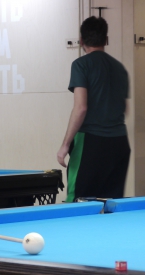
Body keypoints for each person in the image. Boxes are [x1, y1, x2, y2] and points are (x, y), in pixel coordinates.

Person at [57, 16, 130, 202]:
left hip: (90, 142)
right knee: (110, 203)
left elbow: (81, 108)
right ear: (106, 40)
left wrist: (65, 145)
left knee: (79, 201)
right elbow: (125, 109)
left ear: (81, 41)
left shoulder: (81, 65)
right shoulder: (120, 69)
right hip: (120, 143)